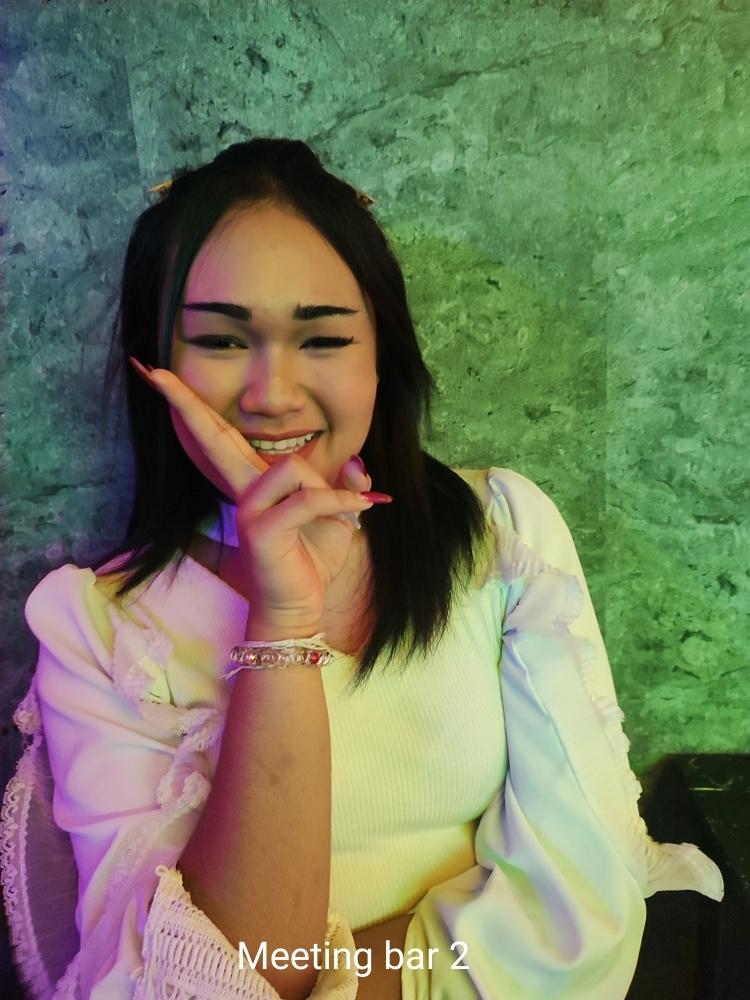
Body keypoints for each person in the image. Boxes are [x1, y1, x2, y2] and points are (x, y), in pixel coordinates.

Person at [0, 137, 724, 1000]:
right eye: (221, 340)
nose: (272, 394)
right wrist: (283, 623)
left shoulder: (500, 534)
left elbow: (584, 899)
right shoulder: (99, 630)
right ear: (159, 367)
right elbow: (181, 986)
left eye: (323, 338)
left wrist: (336, 985)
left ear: (381, 352)